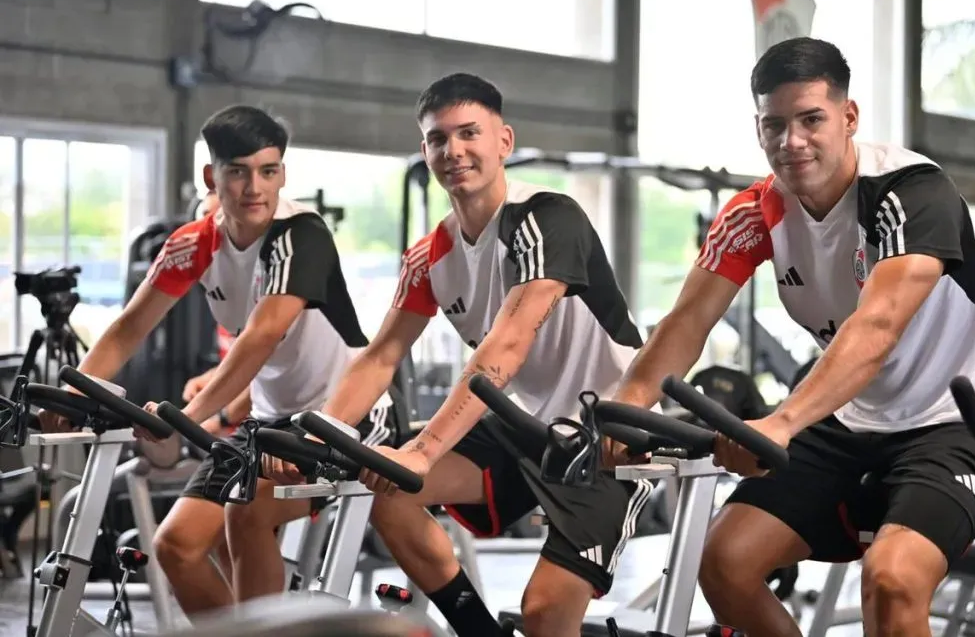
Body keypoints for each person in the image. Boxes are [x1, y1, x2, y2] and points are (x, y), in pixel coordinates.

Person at [609, 36, 975, 637]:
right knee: (723, 561)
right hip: (852, 420)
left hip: (954, 424)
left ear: (848, 118)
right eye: (774, 125)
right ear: (758, 129)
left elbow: (875, 329)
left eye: (811, 120)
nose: (791, 141)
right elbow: (686, 322)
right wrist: (624, 409)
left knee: (893, 580)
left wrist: (780, 422)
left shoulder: (909, 193)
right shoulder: (753, 213)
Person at [264, 73, 653, 637]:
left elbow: (508, 344)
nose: (454, 150)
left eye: (469, 133)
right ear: (425, 151)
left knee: (545, 613)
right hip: (522, 425)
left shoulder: (545, 217)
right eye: (438, 139)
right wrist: (321, 433)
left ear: (504, 141)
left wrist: (423, 450)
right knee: (386, 490)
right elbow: (379, 358)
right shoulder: (429, 256)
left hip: (605, 432)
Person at [38, 104, 397, 619]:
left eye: (268, 171)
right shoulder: (195, 243)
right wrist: (75, 393)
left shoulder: (300, 235)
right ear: (212, 176)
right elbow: (128, 328)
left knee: (247, 513)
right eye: (238, 172)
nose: (255, 188)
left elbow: (261, 337)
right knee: (176, 547)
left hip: (344, 417)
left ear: (282, 174)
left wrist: (191, 419)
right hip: (271, 421)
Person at [181, 191, 252, 438]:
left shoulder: (263, 292)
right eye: (205, 220)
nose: (213, 230)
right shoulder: (223, 295)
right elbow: (241, 365)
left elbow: (263, 378)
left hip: (295, 423)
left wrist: (219, 419)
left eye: (221, 219)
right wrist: (210, 379)